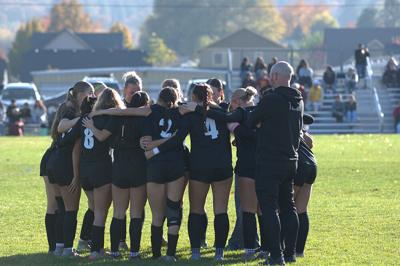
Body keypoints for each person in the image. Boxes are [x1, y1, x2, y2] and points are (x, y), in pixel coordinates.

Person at [149, 83, 233, 261]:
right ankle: (219, 253)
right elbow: (226, 117)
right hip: (222, 166)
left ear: (194, 97)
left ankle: (195, 252)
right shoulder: (222, 110)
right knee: (221, 211)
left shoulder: (191, 114)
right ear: (210, 96)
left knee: (196, 209)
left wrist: (155, 150)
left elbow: (178, 139)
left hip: (200, 167)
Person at [246, 61, 303, 265]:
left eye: (271, 76)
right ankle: (290, 253)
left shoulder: (271, 99)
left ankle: (276, 255)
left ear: (277, 76)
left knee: (269, 208)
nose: (269, 79)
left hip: (270, 160)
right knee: (289, 207)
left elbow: (251, 122)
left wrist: (262, 123)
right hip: (291, 160)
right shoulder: (299, 100)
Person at [83, 91, 150, 260]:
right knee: (135, 212)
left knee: (118, 212)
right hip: (137, 168)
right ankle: (134, 253)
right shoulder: (144, 119)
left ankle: (114, 251)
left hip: (119, 168)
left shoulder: (117, 117)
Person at [75, 88, 126, 260]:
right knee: (100, 212)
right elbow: (103, 137)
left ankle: (94, 246)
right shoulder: (109, 118)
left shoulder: (87, 117)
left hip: (85, 169)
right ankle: (96, 251)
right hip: (101, 168)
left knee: (94, 208)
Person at [48, 81, 94, 257]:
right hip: (65, 166)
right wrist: (76, 176)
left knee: (61, 208)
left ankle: (59, 247)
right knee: (71, 210)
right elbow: (75, 150)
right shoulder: (73, 112)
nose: (92, 96)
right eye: (90, 93)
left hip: (54, 162)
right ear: (82, 94)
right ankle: (68, 249)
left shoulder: (74, 112)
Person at [227, 87, 264, 260]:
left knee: (248, 209)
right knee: (263, 210)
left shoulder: (239, 115)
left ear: (237, 101)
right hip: (265, 164)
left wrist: (236, 129)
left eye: (232, 102)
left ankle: (249, 250)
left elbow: (253, 136)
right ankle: (267, 248)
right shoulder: (261, 111)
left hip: (247, 166)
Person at [293, 114, 317, 258]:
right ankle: (299, 250)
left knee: (285, 208)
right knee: (301, 210)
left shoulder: (283, 116)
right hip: (312, 163)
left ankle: (284, 248)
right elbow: (310, 142)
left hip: (298, 165)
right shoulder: (298, 118)